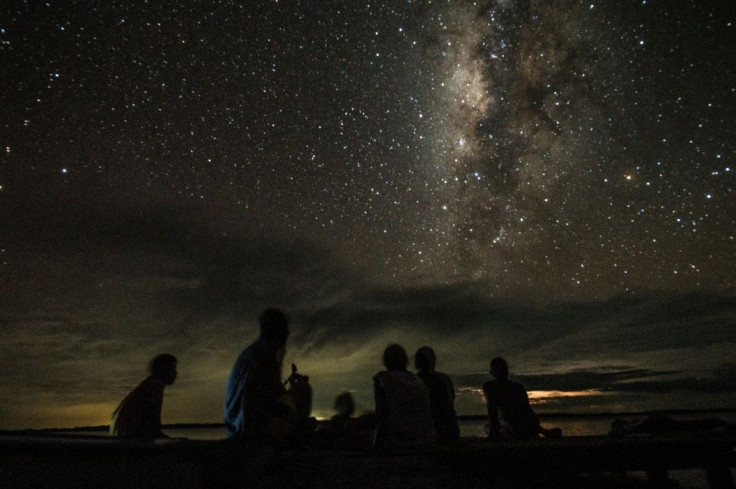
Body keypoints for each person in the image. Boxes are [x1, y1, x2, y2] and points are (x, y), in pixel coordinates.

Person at [224, 308, 309, 443]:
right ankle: (294, 442)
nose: (288, 333)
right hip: (250, 430)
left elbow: (267, 391)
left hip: (235, 427)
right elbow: (272, 393)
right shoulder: (265, 354)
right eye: (285, 329)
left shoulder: (248, 353)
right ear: (279, 331)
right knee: (303, 389)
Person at [373, 344, 436, 449]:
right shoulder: (417, 380)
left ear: (386, 361)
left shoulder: (383, 379)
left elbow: (382, 415)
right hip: (427, 441)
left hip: (400, 442)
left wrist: (377, 446)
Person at [483, 357, 561, 439]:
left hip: (515, 426)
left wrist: (493, 432)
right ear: (507, 371)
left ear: (491, 373)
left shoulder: (490, 387)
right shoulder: (518, 387)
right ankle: (544, 432)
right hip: (529, 425)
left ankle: (539, 432)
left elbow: (491, 409)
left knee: (487, 427)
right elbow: (527, 411)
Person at [110, 353, 177, 438]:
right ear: (164, 369)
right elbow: (152, 420)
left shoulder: (150, 384)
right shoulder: (154, 385)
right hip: (133, 438)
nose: (175, 373)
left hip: (129, 435)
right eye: (173, 368)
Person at [415, 346, 460, 445]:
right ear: (433, 360)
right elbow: (450, 402)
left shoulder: (414, 380)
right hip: (448, 430)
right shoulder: (444, 379)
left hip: (429, 432)